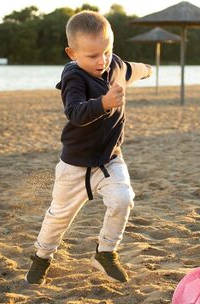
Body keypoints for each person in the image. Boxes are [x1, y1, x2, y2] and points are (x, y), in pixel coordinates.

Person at [25, 10, 152, 285]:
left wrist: (148, 70)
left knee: (123, 199)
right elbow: (75, 112)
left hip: (109, 159)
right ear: (72, 53)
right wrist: (104, 103)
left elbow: (131, 68)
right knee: (59, 216)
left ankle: (105, 252)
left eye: (106, 51)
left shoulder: (114, 65)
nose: (102, 60)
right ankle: (42, 257)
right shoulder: (74, 78)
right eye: (92, 55)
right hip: (75, 163)